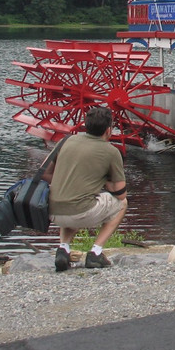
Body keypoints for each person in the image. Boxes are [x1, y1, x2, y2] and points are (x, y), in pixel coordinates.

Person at [45, 107, 128, 271]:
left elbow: (44, 173)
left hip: (52, 212)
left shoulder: (66, 140)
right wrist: (104, 183)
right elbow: (121, 192)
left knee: (71, 195)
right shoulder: (111, 151)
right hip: (80, 213)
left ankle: (63, 249)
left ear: (85, 125)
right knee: (123, 203)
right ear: (108, 130)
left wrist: (69, 180)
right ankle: (95, 253)